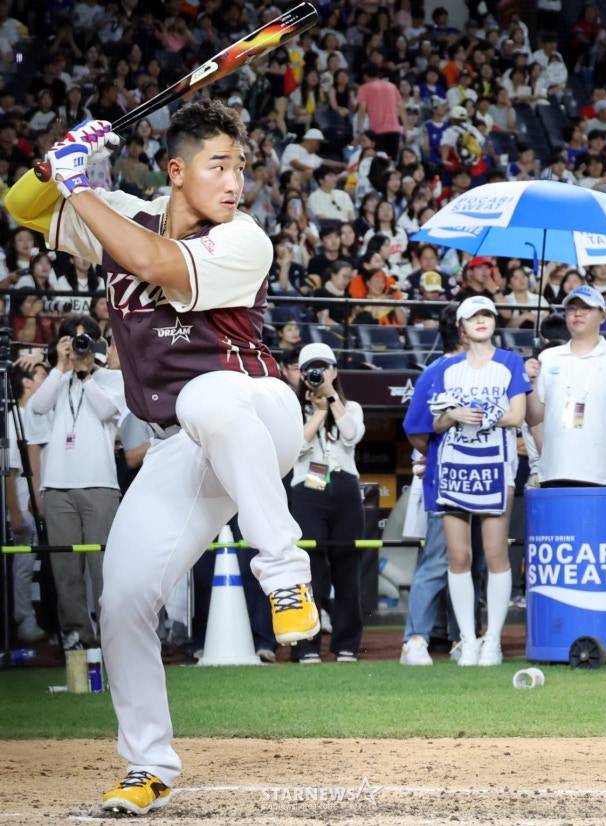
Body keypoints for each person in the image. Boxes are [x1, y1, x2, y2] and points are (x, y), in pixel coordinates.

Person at [5, 102, 319, 814]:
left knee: (206, 397)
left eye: (239, 166)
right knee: (121, 602)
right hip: (186, 445)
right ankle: (148, 764)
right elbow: (21, 205)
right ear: (175, 172)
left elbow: (149, 262)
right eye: (217, 165)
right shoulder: (122, 212)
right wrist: (60, 155)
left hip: (258, 413)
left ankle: (285, 574)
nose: (234, 180)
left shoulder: (245, 239)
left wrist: (78, 184)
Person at [429, 296, 531, 667]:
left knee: (495, 555)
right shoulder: (447, 368)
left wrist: (481, 414)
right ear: (461, 325)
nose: (481, 321)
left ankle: (493, 640)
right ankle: (468, 640)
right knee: (458, 557)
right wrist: (453, 413)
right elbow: (436, 422)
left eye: (487, 314)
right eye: (473, 316)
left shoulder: (509, 362)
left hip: (497, 466)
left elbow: (518, 415)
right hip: (454, 464)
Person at [28, 315, 124, 651]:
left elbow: (105, 411)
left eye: (84, 340)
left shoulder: (112, 379)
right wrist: (60, 367)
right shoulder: (58, 380)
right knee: (65, 568)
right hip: (58, 485)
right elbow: (37, 408)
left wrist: (85, 373)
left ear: (99, 344)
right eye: (72, 340)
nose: (78, 346)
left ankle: (112, 634)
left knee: (103, 568)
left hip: (100, 483)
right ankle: (76, 633)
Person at [290, 343, 365, 663]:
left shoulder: (352, 406)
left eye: (323, 368)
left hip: (345, 486)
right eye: (310, 369)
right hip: (308, 489)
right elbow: (294, 447)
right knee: (310, 566)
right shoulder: (291, 409)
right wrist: (318, 411)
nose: (317, 374)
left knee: (348, 566)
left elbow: (352, 435)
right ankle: (307, 645)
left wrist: (331, 398)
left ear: (334, 371)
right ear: (301, 374)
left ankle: (346, 644)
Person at [525, 285, 606, 488]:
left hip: (604, 474)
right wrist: (531, 383)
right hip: (554, 472)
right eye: (571, 308)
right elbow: (534, 418)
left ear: (603, 316)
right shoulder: (548, 357)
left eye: (586, 307)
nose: (577, 313)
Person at [400, 304, 465, 666]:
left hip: (484, 482)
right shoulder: (436, 371)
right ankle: (415, 640)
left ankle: (464, 637)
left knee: (473, 565)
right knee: (439, 560)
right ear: (459, 328)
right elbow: (415, 431)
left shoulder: (493, 370)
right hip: (446, 484)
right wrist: (441, 455)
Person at [7, 361, 49, 643]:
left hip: (37, 498)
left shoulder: (35, 415)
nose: (45, 380)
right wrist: (16, 513)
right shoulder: (12, 419)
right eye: (41, 376)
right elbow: (8, 473)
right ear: (26, 382)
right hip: (22, 501)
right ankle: (23, 620)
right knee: (23, 565)